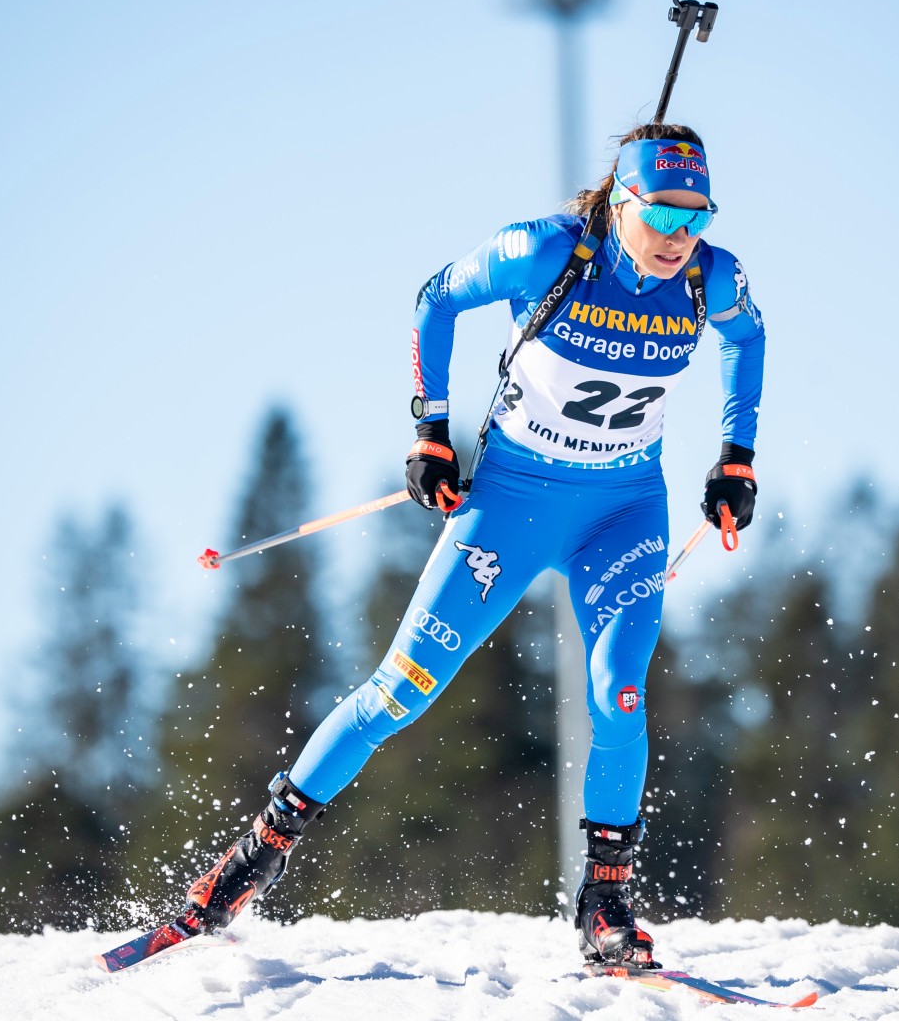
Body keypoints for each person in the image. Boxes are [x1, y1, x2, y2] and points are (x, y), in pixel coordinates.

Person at [154, 123, 765, 967]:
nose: (678, 237)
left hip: (623, 513)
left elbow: (748, 338)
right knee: (400, 691)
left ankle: (607, 903)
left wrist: (738, 457)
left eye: (697, 218)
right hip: (509, 507)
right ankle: (253, 857)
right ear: (623, 199)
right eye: (662, 214)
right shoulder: (544, 252)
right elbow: (436, 297)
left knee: (619, 696)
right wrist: (430, 431)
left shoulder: (711, 276)